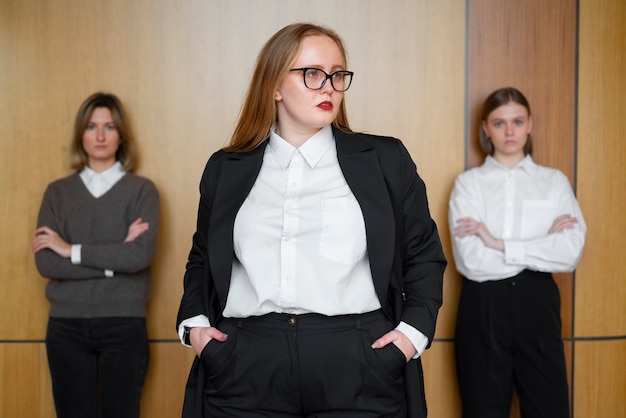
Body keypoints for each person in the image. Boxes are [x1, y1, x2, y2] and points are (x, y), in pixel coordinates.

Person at [176, 22, 446, 418]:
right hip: (244, 360)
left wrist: (410, 337)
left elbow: (423, 254)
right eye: (312, 74)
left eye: (337, 75)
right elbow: (202, 257)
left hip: (359, 358)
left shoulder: (386, 159)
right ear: (274, 86)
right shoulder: (225, 168)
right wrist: (196, 328)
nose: (329, 87)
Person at [448, 87, 586, 418]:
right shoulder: (469, 185)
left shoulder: (554, 183)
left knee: (549, 409)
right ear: (485, 128)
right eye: (499, 123)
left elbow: (569, 253)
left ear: (530, 125)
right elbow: (472, 261)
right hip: (482, 306)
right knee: (482, 410)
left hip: (537, 302)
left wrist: (497, 243)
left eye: (517, 121)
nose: (509, 131)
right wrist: (541, 243)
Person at [32, 92, 160, 418]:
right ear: (81, 134)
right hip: (66, 326)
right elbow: (46, 262)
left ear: (122, 135)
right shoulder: (57, 193)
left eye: (109, 127)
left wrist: (70, 250)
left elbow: (139, 257)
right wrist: (112, 262)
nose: (100, 136)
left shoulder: (142, 191)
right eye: (91, 127)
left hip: (124, 324)